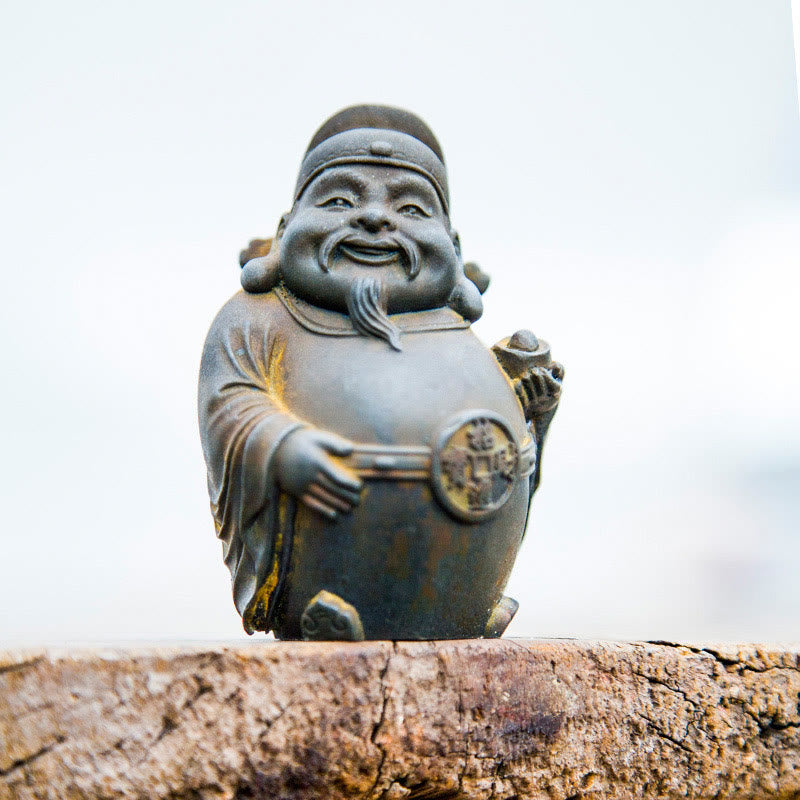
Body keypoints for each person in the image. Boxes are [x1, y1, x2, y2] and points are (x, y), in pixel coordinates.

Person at [198, 105, 562, 639]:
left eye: (412, 209)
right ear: (284, 232)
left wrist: (533, 413)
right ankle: (324, 609)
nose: (373, 218)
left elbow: (510, 448)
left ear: (454, 251)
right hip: (325, 548)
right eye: (340, 200)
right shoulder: (259, 319)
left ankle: (467, 601)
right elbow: (227, 401)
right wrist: (281, 444)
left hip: (461, 551)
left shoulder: (457, 330)